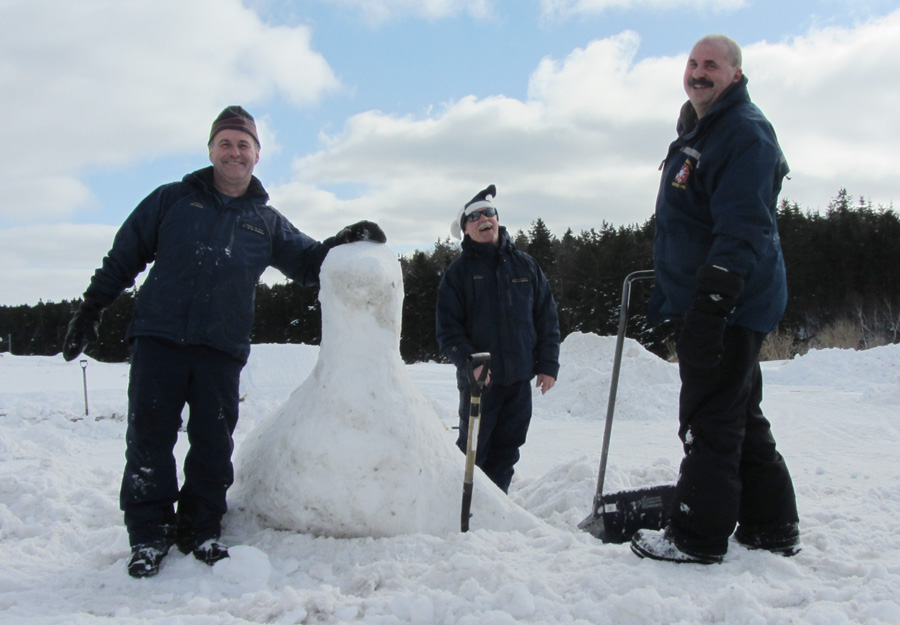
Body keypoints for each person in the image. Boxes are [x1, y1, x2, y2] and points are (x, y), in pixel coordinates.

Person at [62, 106, 386, 578]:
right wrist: (91, 307)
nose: (234, 152)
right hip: (159, 339)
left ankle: (200, 529)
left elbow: (309, 262)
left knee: (212, 444)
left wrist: (344, 241)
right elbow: (123, 256)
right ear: (211, 150)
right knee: (149, 441)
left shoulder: (265, 221)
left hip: (221, 347)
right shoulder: (171, 200)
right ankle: (149, 535)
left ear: (257, 156)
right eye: (226, 143)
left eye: (244, 145)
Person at [630, 35, 799, 564]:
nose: (699, 73)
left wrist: (710, 303)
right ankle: (772, 526)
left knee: (710, 416)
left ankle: (696, 535)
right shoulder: (705, 129)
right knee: (739, 411)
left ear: (735, 74)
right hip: (716, 299)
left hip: (728, 302)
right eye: (693, 63)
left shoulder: (743, 133)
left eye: (712, 65)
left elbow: (743, 226)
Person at [436, 184, 560, 493]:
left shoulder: (525, 266)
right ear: (465, 229)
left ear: (498, 218)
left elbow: (546, 317)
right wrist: (471, 363)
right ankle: (461, 509)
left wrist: (548, 364)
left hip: (518, 379)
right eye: (474, 216)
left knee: (508, 450)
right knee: (472, 450)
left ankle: (495, 506)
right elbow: (448, 330)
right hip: (480, 383)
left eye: (488, 213)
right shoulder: (458, 274)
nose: (483, 219)